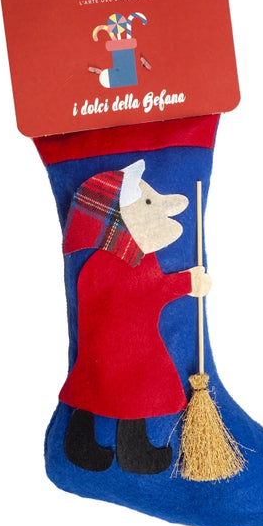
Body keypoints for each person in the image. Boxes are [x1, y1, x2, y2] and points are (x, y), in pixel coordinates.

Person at [59, 159, 210, 473]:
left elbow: (146, 291)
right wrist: (186, 283)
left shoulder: (136, 259)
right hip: (121, 351)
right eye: (148, 202)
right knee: (132, 392)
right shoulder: (112, 263)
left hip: (117, 349)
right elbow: (146, 294)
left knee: (108, 394)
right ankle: (124, 452)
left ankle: (107, 448)